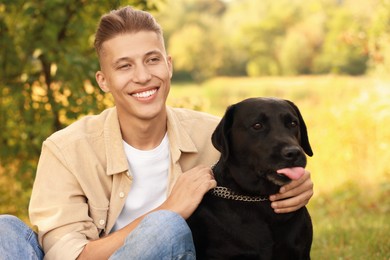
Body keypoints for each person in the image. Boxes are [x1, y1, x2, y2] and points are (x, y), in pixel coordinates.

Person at [0, 6, 314, 260]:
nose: (143, 76)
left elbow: (269, 155)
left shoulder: (216, 135)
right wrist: (170, 208)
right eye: (124, 66)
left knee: (166, 228)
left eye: (152, 60)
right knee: (4, 230)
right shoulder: (66, 149)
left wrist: (296, 184)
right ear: (103, 80)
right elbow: (68, 256)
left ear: (169, 65)